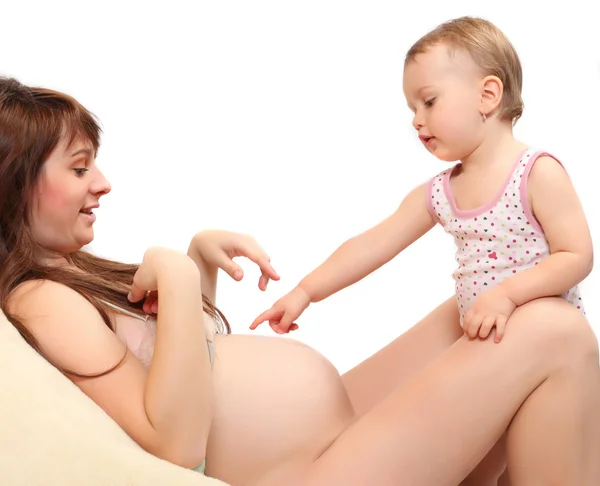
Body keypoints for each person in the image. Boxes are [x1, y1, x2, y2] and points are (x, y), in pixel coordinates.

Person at [0, 45, 598, 486]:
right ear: (14, 183)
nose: (102, 183)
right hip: (312, 473)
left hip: (329, 435)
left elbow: (180, 369)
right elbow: (176, 445)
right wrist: (179, 281)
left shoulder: (70, 276)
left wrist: (195, 268)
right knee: (553, 330)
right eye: (79, 168)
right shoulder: (39, 299)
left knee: (475, 312)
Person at [248, 16, 598, 485]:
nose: (416, 119)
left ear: (487, 96)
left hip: (533, 346)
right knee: (471, 463)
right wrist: (307, 291)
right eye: (412, 107)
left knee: (532, 458)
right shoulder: (441, 191)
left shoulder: (535, 172)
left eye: (429, 101)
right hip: (484, 344)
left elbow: (576, 256)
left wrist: (509, 294)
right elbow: (374, 242)